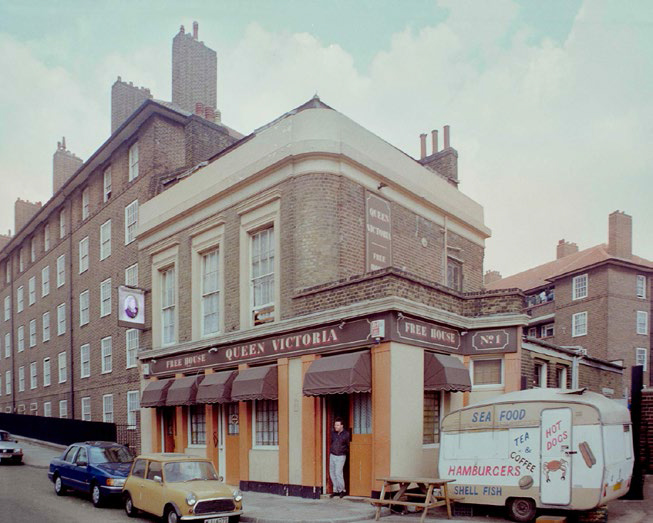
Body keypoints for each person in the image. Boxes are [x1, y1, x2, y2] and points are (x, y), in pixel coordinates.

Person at [329, 417, 350, 498]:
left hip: (341, 456)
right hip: (333, 455)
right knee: (332, 472)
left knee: (338, 473)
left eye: (337, 425)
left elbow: (349, 445)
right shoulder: (333, 433)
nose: (336, 427)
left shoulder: (346, 434)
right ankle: (336, 490)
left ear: (342, 426)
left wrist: (344, 452)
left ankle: (342, 490)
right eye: (335, 425)